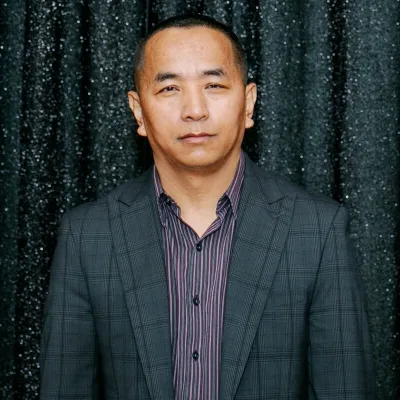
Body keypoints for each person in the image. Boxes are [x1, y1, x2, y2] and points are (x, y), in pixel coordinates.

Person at [40, 14, 375, 400]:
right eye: (169, 89)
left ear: (248, 103)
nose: (194, 110)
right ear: (138, 111)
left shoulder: (317, 229)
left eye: (214, 85)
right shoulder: (88, 235)